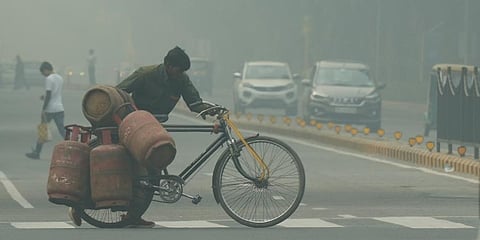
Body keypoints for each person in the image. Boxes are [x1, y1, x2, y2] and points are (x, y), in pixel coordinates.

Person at [68, 46, 219, 228]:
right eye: (178, 70)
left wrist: (214, 112)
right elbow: (118, 93)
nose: (180, 74)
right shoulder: (145, 74)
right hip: (133, 127)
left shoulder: (181, 80)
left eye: (183, 71)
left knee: (152, 173)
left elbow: (195, 103)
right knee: (124, 169)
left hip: (154, 129)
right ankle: (79, 205)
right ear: (168, 65)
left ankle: (133, 216)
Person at [25, 62, 65, 159]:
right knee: (62, 131)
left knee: (43, 129)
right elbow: (54, 94)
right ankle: (74, 146)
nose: (43, 74)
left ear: (46, 69)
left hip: (50, 109)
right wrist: (45, 97)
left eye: (43, 72)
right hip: (59, 108)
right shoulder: (60, 78)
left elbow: (49, 94)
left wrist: (43, 109)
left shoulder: (49, 79)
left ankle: (37, 153)